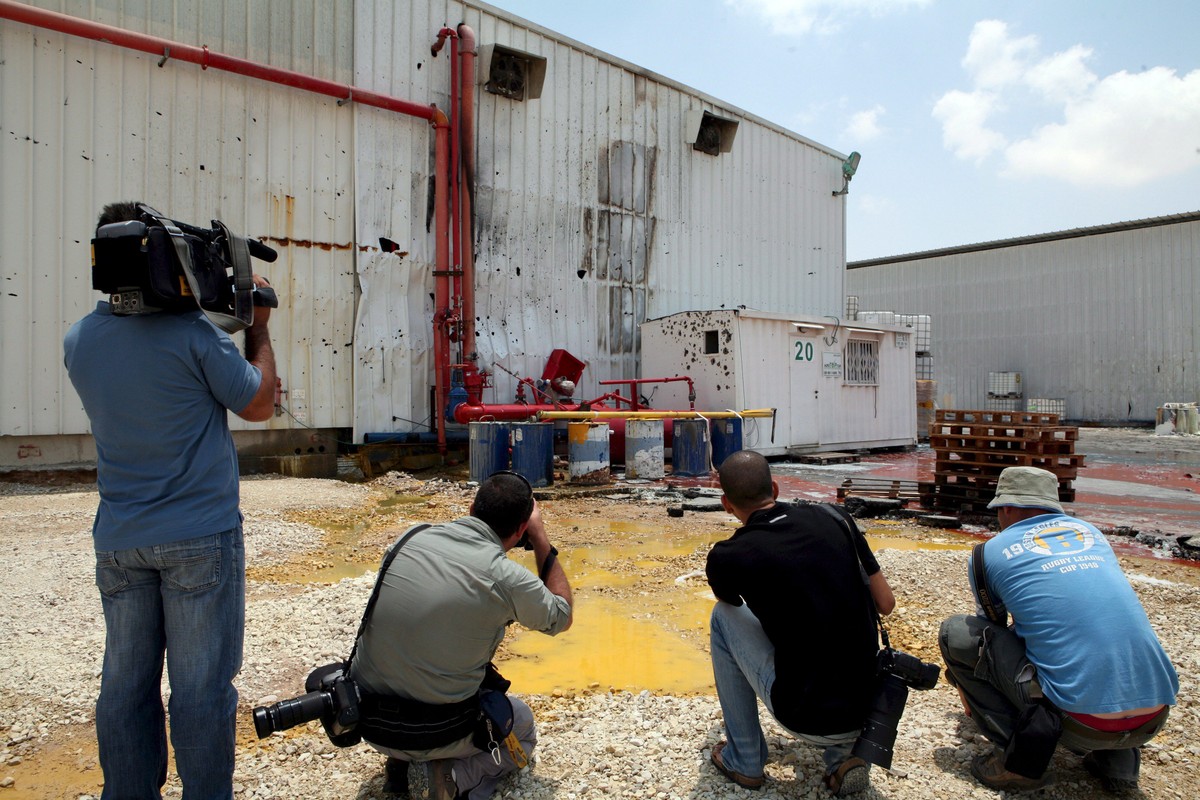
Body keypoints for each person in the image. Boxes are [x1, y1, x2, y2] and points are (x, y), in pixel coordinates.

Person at [63, 201, 277, 799]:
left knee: (125, 687)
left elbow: (146, 354)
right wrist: (256, 323)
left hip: (120, 543)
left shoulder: (79, 341)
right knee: (201, 688)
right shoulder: (194, 338)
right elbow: (258, 402)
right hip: (199, 541)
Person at [940, 466, 1178, 793]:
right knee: (1097, 639)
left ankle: (1019, 763)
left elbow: (990, 632)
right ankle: (1119, 764)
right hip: (1154, 717)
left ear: (1006, 508)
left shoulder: (986, 553)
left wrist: (965, 687)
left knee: (957, 633)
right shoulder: (1091, 533)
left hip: (1083, 725)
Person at [349, 471, 574, 800]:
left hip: (365, 718)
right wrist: (541, 540)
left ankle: (401, 764)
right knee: (522, 726)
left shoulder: (410, 538)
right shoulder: (507, 577)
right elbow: (561, 616)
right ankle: (452, 776)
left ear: (471, 509)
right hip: (431, 730)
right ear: (522, 528)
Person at [704, 450, 896, 796]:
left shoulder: (727, 557)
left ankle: (744, 759)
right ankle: (842, 759)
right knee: (822, 621)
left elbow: (733, 606)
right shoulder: (836, 518)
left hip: (807, 715)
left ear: (725, 504)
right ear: (775, 488)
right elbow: (886, 603)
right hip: (872, 709)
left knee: (723, 617)